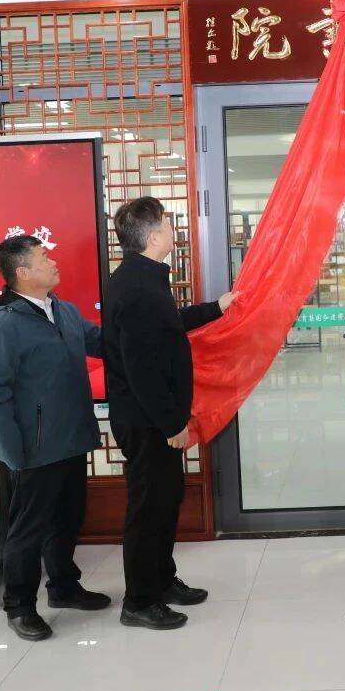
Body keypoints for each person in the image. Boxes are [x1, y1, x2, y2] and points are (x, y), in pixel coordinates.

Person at [103, 197, 234, 630]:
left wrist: (216, 308)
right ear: (154, 235)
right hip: (147, 420)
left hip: (153, 415)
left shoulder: (144, 277)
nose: (172, 229)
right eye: (167, 222)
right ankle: (139, 601)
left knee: (166, 500)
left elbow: (168, 325)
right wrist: (172, 423)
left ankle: (161, 579)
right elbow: (141, 368)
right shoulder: (137, 287)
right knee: (149, 508)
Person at [0, 234, 110, 642]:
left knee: (68, 519)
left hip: (72, 438)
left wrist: (151, 332)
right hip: (33, 449)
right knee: (28, 530)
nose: (53, 262)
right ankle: (19, 606)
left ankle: (64, 587)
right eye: (44, 257)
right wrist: (12, 452)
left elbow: (102, 343)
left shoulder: (63, 311)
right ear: (22, 272)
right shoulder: (3, 326)